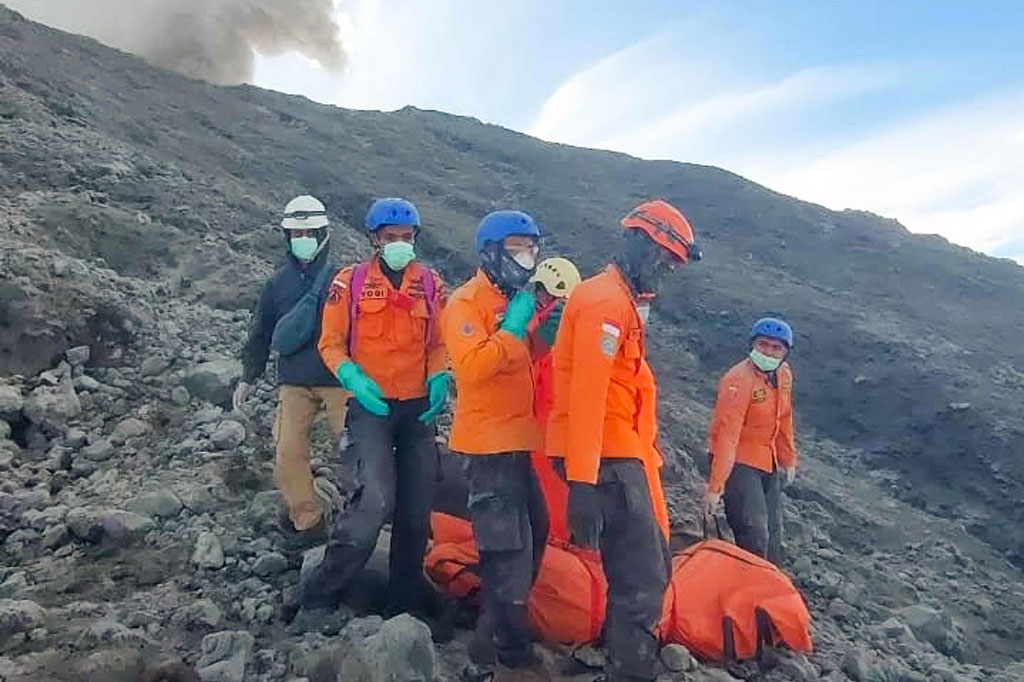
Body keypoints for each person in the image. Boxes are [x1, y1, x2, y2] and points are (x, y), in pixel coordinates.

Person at [547, 199, 700, 682]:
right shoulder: (606, 306)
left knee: (646, 568)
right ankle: (627, 670)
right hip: (607, 458)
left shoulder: (616, 301)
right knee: (642, 578)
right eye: (662, 258)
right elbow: (590, 397)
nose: (665, 272)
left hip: (616, 454)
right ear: (637, 242)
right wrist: (583, 482)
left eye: (672, 265)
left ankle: (622, 661)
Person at [299, 197, 449, 616]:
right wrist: (351, 377)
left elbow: (438, 343)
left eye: (406, 237)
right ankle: (320, 595)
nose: (400, 243)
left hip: (418, 410)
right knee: (373, 501)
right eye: (391, 238)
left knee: (417, 511)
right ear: (374, 240)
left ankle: (402, 605)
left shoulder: (432, 284)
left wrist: (440, 374)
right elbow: (329, 342)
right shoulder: (351, 283)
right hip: (371, 409)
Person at [442, 210, 551, 682]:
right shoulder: (465, 303)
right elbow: (472, 368)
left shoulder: (518, 300)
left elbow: (530, 362)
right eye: (516, 247)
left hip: (518, 441)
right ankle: (511, 659)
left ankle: (491, 633)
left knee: (537, 533)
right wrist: (511, 330)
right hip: (487, 445)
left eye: (531, 247)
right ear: (490, 252)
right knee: (506, 551)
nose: (526, 257)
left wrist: (544, 329)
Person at [234, 195, 348, 540]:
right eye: (296, 233)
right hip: (294, 383)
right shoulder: (277, 284)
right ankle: (309, 521)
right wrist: (248, 377)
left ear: (323, 233)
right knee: (287, 454)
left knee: (360, 451)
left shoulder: (345, 279)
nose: (303, 239)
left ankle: (369, 513)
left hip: (340, 380)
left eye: (309, 232)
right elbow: (261, 331)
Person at [704, 317, 796, 566]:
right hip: (737, 462)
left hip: (767, 460)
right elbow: (727, 435)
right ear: (752, 344)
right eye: (763, 345)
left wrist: (788, 459)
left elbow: (784, 418)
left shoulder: (783, 376)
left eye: (776, 348)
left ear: (785, 352)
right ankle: (749, 590)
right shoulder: (738, 380)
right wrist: (715, 487)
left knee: (773, 536)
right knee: (754, 533)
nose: (768, 352)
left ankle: (771, 589)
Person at [528, 257, 582, 544]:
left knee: (557, 508)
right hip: (538, 438)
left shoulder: (569, 342)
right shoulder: (531, 333)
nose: (543, 300)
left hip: (558, 440)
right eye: (542, 293)